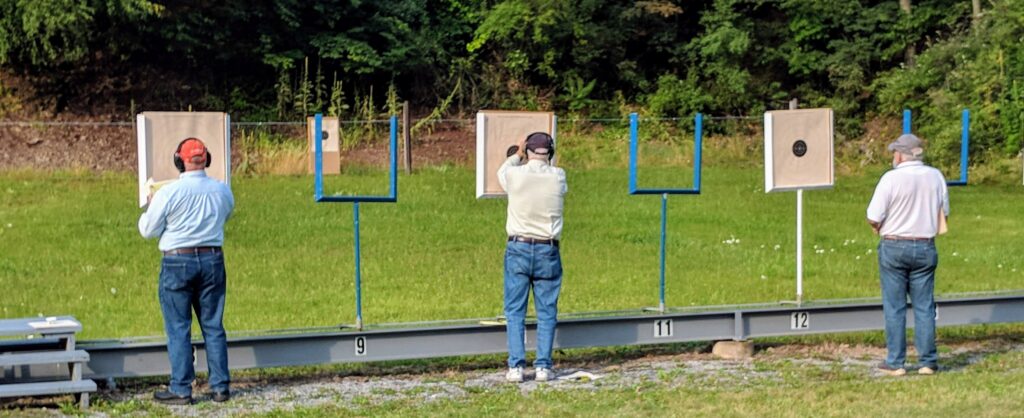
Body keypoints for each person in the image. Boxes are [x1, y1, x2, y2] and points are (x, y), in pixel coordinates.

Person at [139, 137, 235, 404]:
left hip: (177, 262)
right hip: (213, 259)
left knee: (179, 327)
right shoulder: (222, 191)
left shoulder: (168, 194)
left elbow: (147, 230)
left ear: (178, 161)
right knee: (213, 325)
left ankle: (181, 388)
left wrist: (151, 203)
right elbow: (225, 215)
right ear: (207, 159)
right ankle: (220, 387)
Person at [866, 133, 949, 376]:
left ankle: (895, 362)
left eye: (895, 152)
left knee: (895, 307)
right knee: (924, 306)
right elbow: (944, 211)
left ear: (901, 155)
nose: (893, 156)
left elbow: (874, 215)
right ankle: (927, 361)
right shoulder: (936, 176)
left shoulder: (891, 179)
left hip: (894, 245)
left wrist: (877, 227)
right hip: (925, 245)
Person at [497, 132, 567, 383]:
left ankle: (516, 367)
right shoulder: (559, 176)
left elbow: (502, 171)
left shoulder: (515, 174)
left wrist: (517, 153)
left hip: (519, 247)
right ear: (550, 152)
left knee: (515, 310)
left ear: (528, 151)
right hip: (548, 249)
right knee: (547, 311)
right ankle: (543, 367)